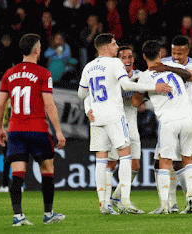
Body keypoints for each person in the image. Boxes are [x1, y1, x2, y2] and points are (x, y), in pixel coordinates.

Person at [77, 33, 171, 215]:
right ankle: (125, 201)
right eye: (113, 44)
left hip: (96, 117)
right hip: (114, 115)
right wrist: (154, 87)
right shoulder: (114, 63)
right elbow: (126, 86)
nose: (116, 46)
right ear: (104, 48)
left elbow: (82, 94)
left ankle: (103, 204)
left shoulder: (88, 67)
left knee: (101, 159)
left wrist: (89, 106)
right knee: (125, 156)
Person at [0, 33, 66, 226]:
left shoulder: (9, 73)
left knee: (17, 172)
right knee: (47, 169)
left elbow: (0, 105)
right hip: (38, 129)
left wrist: (1, 128)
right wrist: (58, 131)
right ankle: (48, 213)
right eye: (40, 45)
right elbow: (49, 104)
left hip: (16, 130)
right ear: (36, 49)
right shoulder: (43, 73)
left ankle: (18, 216)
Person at [132, 40, 192, 214]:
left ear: (144, 56)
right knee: (187, 159)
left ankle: (164, 205)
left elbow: (135, 102)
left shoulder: (145, 76)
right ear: (161, 54)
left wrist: (145, 90)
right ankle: (191, 199)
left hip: (169, 121)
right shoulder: (171, 65)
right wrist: (169, 69)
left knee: (164, 161)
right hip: (188, 117)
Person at [84, 45, 145, 214]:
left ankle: (116, 198)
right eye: (123, 56)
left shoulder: (140, 76)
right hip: (113, 120)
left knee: (135, 165)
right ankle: (108, 202)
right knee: (111, 162)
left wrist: (142, 94)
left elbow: (137, 103)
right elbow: (88, 93)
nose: (127, 59)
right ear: (118, 60)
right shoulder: (111, 73)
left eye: (130, 56)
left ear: (133, 59)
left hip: (130, 123)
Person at [150, 35, 192, 214]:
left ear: (187, 51)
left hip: (190, 118)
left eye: (180, 54)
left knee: (187, 160)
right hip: (170, 119)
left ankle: (191, 201)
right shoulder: (164, 63)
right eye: (174, 52)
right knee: (164, 161)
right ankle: (171, 203)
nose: (176, 57)